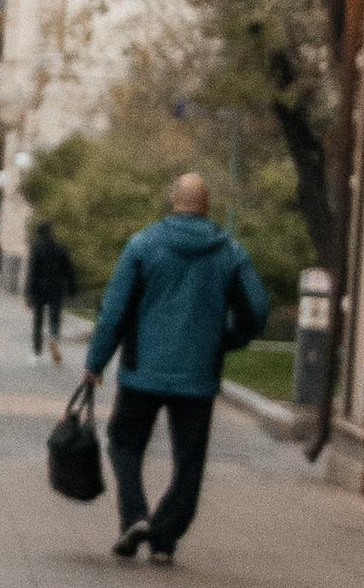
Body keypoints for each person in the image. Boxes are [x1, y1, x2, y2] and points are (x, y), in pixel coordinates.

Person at [85, 171, 269, 566]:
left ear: (173, 200)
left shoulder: (143, 244)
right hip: (198, 376)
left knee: (123, 442)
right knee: (189, 460)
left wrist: (96, 362)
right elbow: (257, 309)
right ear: (206, 205)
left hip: (141, 371)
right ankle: (165, 536)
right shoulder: (229, 253)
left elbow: (114, 310)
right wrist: (226, 340)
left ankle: (134, 515)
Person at [25, 220, 78, 363]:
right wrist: (73, 288)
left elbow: (32, 272)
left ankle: (36, 352)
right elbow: (69, 270)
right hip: (57, 288)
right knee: (55, 317)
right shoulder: (61, 248)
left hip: (40, 289)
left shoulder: (37, 249)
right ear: (51, 232)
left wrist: (29, 293)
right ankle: (54, 336)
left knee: (38, 321)